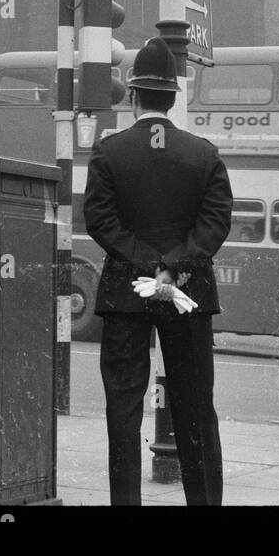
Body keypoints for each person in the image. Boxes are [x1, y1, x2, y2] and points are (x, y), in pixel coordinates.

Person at [83, 35, 233, 506]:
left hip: (126, 294)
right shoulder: (203, 154)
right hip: (188, 293)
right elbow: (216, 222)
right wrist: (172, 270)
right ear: (173, 97)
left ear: (132, 95)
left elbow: (100, 221)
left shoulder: (110, 153)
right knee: (195, 410)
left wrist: (149, 269)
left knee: (123, 412)